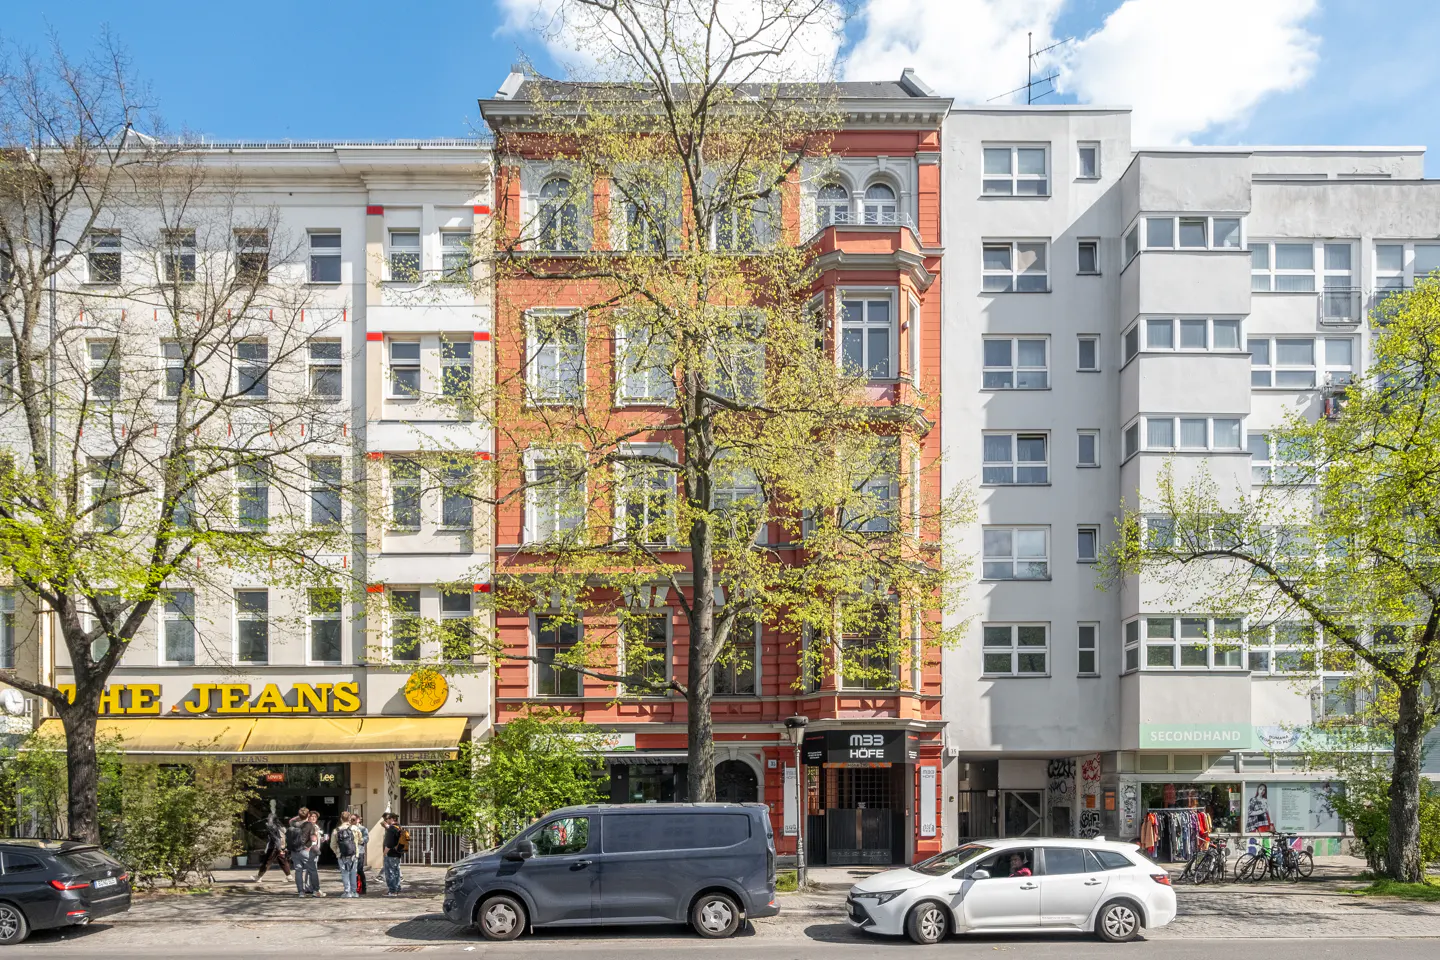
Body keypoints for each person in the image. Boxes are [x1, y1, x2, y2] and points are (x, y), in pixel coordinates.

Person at [254, 807, 291, 883]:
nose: (267, 819)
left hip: (275, 847)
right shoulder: (279, 825)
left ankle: (259, 877)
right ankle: (289, 876)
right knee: (282, 861)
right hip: (281, 845)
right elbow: (284, 834)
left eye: (269, 817)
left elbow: (276, 839)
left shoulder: (272, 827)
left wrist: (279, 849)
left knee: (267, 862)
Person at [288, 809, 319, 897]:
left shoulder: (293, 824)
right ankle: (316, 891)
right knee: (312, 870)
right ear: (308, 815)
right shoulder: (309, 825)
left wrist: (300, 816)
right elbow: (313, 839)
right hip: (306, 850)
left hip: (294, 851)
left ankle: (301, 892)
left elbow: (290, 820)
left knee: (298, 871)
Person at [330, 812, 360, 898]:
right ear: (350, 818)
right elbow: (360, 840)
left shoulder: (336, 830)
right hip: (354, 854)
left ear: (341, 819)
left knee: (344, 873)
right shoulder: (355, 828)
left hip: (341, 854)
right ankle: (354, 892)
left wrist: (337, 852)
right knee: (353, 872)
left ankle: (347, 892)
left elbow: (332, 844)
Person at [381, 812, 407, 897]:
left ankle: (392, 891)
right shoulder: (399, 827)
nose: (386, 820)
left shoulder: (391, 829)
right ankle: (397, 888)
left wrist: (385, 853)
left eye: (388, 819)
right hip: (398, 853)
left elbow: (389, 843)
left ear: (392, 819)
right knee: (396, 871)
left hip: (391, 853)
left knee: (390, 872)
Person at [306, 810, 327, 897]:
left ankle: (308, 886)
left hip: (315, 849)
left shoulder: (316, 826)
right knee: (312, 869)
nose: (314, 818)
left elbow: (317, 839)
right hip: (310, 850)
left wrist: (322, 839)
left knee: (310, 869)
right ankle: (311, 888)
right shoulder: (308, 826)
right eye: (312, 816)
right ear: (308, 817)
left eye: (315, 817)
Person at [352, 815, 370, 895]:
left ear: (358, 820)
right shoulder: (348, 828)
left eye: (354, 819)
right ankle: (354, 888)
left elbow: (366, 839)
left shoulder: (363, 829)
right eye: (351, 819)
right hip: (351, 852)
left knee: (359, 870)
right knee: (352, 871)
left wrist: (359, 840)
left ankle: (363, 888)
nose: (352, 821)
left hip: (360, 851)